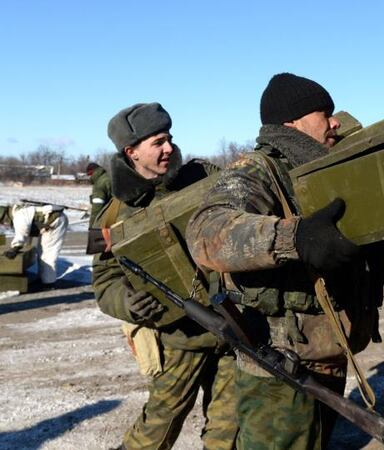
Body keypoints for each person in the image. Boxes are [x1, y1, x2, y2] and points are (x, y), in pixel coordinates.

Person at [186, 73, 384, 449]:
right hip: (279, 372)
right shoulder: (258, 169)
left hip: (324, 360)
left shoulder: (315, 169)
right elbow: (206, 231)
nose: (335, 121)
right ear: (291, 122)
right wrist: (294, 237)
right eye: (324, 113)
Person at [91, 102, 237, 450]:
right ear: (132, 152)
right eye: (157, 142)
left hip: (234, 329)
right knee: (157, 427)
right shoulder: (109, 216)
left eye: (169, 138)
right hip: (178, 337)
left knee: (228, 430)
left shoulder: (203, 179)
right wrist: (128, 302)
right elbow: (103, 280)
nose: (168, 147)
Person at [0, 201, 68, 290]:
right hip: (48, 223)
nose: (4, 224)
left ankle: (48, 284)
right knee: (41, 252)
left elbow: (22, 233)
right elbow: (27, 233)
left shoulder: (19, 216)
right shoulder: (17, 211)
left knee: (47, 255)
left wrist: (15, 248)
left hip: (56, 223)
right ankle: (43, 278)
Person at [86, 162, 112, 226]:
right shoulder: (108, 177)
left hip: (109, 219)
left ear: (92, 173)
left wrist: (92, 227)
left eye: (89, 175)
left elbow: (96, 210)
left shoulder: (99, 184)